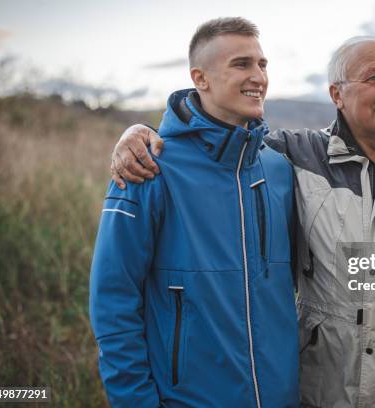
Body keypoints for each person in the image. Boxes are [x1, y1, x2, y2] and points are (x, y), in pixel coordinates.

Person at [110, 36, 375, 407]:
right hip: (326, 396)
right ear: (336, 93)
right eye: (374, 79)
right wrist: (144, 132)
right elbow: (220, 142)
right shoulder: (296, 158)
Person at [89, 17, 299, 408]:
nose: (258, 77)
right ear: (200, 78)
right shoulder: (148, 168)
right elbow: (113, 302)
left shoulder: (279, 168)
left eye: (262, 64)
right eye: (241, 64)